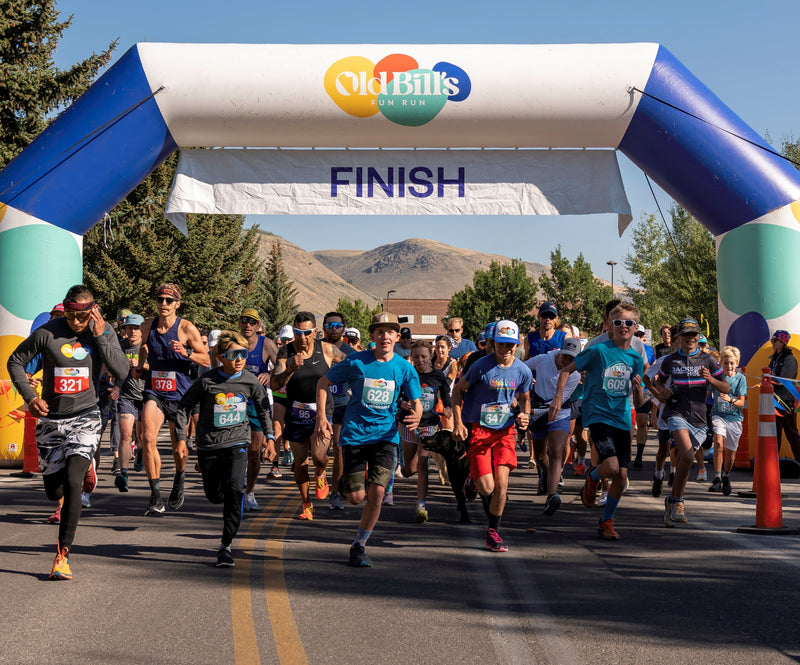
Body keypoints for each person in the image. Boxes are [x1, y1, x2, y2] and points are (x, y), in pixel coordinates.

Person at [7, 285, 128, 580]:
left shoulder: (102, 330)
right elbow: (15, 361)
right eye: (71, 316)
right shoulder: (48, 332)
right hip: (51, 421)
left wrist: (100, 336)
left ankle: (62, 555)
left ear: (92, 311)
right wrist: (29, 397)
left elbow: (122, 370)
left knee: (73, 483)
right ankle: (84, 470)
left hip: (86, 417)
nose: (76, 322)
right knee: (54, 491)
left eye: (82, 316)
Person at [315, 312, 421, 567]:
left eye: (390, 332)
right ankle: (348, 483)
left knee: (378, 493)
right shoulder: (356, 362)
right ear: (373, 336)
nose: (385, 336)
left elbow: (416, 401)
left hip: (385, 437)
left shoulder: (404, 368)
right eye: (380, 332)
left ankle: (359, 545)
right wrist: (321, 417)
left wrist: (417, 415)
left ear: (397, 337)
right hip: (355, 435)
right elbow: (323, 382)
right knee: (355, 498)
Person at [174, 331, 275, 567]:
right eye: (233, 354)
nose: (239, 359)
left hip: (238, 442)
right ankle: (217, 493)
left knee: (234, 491)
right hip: (209, 444)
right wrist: (180, 438)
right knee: (215, 496)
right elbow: (184, 406)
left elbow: (263, 409)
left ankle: (226, 546)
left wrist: (270, 437)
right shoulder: (206, 381)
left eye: (243, 354)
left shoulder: (250, 380)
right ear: (220, 357)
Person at [552, 303, 645, 540]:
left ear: (635, 327)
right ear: (610, 326)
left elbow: (638, 400)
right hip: (598, 414)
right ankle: (592, 477)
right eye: (618, 322)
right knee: (611, 467)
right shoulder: (598, 350)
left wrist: (638, 390)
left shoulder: (635, 358)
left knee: (621, 476)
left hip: (622, 417)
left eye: (628, 323)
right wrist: (558, 398)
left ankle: (606, 521)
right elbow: (566, 370)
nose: (623, 326)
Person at [452, 320, 532, 553]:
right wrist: (458, 422)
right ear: (492, 343)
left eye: (510, 345)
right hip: (479, 429)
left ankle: (492, 532)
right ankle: (474, 480)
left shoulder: (522, 370)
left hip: (505, 431)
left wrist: (524, 415)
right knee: (487, 487)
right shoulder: (480, 367)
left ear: (517, 345)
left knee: (502, 486)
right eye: (501, 344)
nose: (506, 349)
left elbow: (525, 398)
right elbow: (458, 391)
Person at [134, 284, 210, 516]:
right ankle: (156, 496)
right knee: (147, 437)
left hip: (180, 396)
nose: (163, 304)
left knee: (179, 448)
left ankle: (179, 476)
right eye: (160, 299)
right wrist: (141, 364)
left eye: (169, 300)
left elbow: (206, 360)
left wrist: (186, 352)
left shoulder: (186, 328)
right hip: (155, 392)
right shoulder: (147, 326)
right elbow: (143, 345)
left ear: (177, 303)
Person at [651, 318, 729, 527]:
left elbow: (726, 388)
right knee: (686, 454)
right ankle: (678, 502)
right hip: (676, 412)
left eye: (693, 334)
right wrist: (663, 391)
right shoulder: (670, 360)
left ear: (698, 336)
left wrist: (710, 379)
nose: (690, 338)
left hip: (700, 418)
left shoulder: (708, 360)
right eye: (686, 335)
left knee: (686, 461)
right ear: (679, 337)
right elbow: (659, 381)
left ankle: (674, 499)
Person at [270, 311, 346, 520]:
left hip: (322, 413)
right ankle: (306, 504)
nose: (302, 337)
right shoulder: (285, 352)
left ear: (315, 332)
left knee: (320, 457)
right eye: (298, 332)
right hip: (296, 414)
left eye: (307, 332)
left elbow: (351, 365)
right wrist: (290, 369)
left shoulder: (327, 349)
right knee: (301, 463)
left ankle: (320, 472)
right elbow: (274, 384)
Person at [524, 337, 581, 516]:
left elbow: (557, 403)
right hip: (537, 411)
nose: (567, 361)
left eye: (572, 359)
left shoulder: (575, 375)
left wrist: (531, 410)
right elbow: (521, 368)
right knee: (541, 457)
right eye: (565, 356)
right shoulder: (543, 359)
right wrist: (524, 388)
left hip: (559, 412)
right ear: (559, 352)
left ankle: (552, 495)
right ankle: (550, 476)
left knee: (556, 451)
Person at [399, 340, 451, 522]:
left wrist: (448, 408)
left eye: (423, 356)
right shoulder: (407, 374)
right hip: (409, 423)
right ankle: (407, 467)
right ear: (412, 358)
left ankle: (421, 504)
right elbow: (396, 394)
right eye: (416, 357)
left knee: (422, 464)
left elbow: (445, 395)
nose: (420, 360)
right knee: (410, 469)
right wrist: (401, 403)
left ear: (430, 356)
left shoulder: (438, 376)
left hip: (429, 422)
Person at [237, 307, 279, 511]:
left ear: (258, 325)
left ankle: (250, 491)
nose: (248, 324)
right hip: (234, 403)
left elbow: (281, 367)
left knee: (254, 451)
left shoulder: (267, 344)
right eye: (244, 320)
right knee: (234, 450)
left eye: (252, 321)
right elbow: (215, 361)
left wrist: (270, 375)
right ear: (239, 322)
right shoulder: (232, 342)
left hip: (257, 404)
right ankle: (234, 488)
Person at [322, 311, 356, 509]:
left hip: (343, 403)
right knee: (320, 453)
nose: (334, 329)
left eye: (337, 326)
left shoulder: (351, 354)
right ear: (324, 328)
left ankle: (334, 492)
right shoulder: (316, 348)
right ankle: (320, 472)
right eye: (330, 325)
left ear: (343, 329)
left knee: (338, 446)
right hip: (320, 404)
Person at [708, 346, 747, 495]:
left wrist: (730, 399)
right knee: (718, 443)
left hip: (734, 419)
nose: (729, 366)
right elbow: (706, 393)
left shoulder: (740, 379)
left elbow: (741, 403)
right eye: (725, 363)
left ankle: (726, 475)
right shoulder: (717, 377)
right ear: (721, 363)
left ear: (737, 363)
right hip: (718, 415)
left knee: (731, 453)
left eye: (731, 363)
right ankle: (717, 477)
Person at [114, 314, 146, 493]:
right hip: (126, 396)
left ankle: (140, 450)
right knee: (126, 435)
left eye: (136, 328)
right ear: (125, 330)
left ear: (142, 330)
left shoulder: (147, 347)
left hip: (146, 397)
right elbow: (111, 366)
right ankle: (123, 474)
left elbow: (159, 368)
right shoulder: (120, 346)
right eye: (130, 328)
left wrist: (141, 364)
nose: (133, 332)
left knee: (142, 437)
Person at [768, 330, 800, 460]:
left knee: (791, 433)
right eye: (772, 340)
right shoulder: (774, 358)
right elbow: (768, 375)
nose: (772, 343)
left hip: (786, 401)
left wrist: (771, 377)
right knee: (775, 433)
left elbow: (782, 380)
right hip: (775, 400)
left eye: (775, 340)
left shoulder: (789, 359)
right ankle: (773, 463)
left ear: (782, 342)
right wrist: (771, 376)